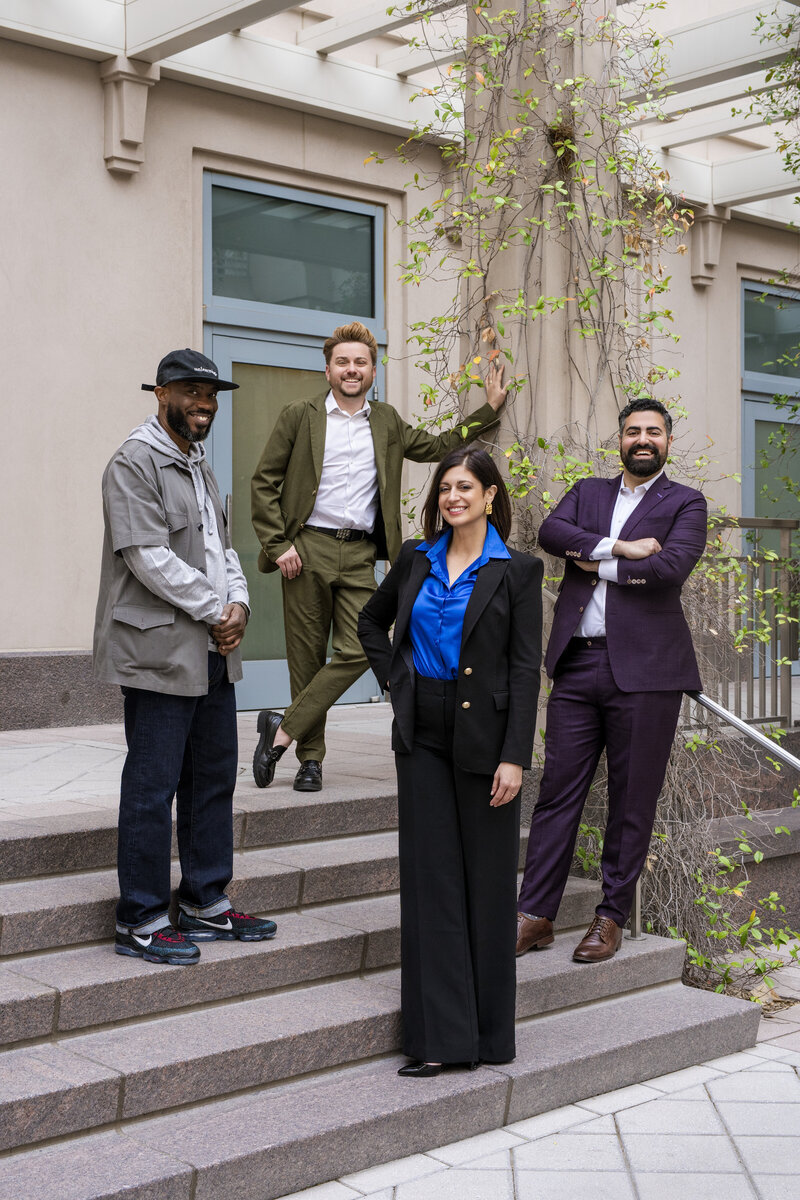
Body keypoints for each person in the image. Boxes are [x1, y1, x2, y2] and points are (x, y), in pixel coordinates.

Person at [250, 321, 508, 793]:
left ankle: (282, 729)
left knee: (363, 647)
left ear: (373, 370)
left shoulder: (385, 420)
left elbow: (436, 446)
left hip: (363, 551)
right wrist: (278, 544)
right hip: (306, 547)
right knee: (305, 658)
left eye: (361, 362)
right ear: (328, 369)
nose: (352, 370)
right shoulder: (299, 415)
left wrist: (487, 411)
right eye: (343, 362)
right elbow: (263, 482)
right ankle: (311, 761)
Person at [358, 448, 543, 1075]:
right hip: (423, 734)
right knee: (431, 883)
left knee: (488, 887)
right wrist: (396, 682)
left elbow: (524, 671)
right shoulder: (416, 557)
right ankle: (442, 1041)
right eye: (444, 487)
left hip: (488, 741)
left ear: (490, 495)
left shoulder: (517, 570)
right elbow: (370, 622)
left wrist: (515, 755)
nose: (452, 496)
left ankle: (491, 1038)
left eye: (465, 486)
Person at [94, 349, 278, 966]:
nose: (205, 404)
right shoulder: (134, 461)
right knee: (152, 786)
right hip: (159, 652)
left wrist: (241, 607)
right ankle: (141, 917)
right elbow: (146, 556)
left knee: (211, 779)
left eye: (212, 394)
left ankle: (204, 901)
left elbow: (222, 550)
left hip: (210, 649)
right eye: (192, 392)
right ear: (161, 394)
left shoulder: (198, 464)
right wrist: (214, 610)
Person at [516, 398, 707, 964]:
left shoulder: (686, 502)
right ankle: (535, 915)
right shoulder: (589, 493)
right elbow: (552, 533)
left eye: (653, 431)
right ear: (618, 441)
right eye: (632, 431)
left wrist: (593, 562)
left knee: (632, 799)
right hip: (577, 663)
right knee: (557, 794)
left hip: (647, 674)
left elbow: (669, 568)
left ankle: (610, 917)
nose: (642, 439)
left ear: (668, 441)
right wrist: (621, 549)